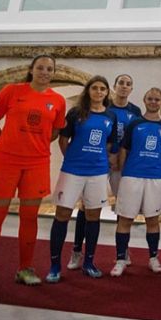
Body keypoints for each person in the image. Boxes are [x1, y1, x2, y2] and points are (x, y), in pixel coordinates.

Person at [0, 55, 66, 294]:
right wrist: (5, 145)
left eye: (49, 69)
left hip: (37, 164)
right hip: (5, 162)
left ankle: (25, 269)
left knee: (29, 218)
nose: (44, 72)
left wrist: (34, 143)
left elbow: (55, 132)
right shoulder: (11, 90)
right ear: (31, 70)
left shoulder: (58, 101)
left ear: (53, 73)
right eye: (40, 67)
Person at [46, 75, 118, 282]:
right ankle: (54, 265)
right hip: (72, 171)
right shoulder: (77, 113)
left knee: (93, 215)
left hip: (97, 172)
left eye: (102, 89)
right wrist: (72, 158)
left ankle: (88, 262)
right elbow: (63, 139)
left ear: (106, 93)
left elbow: (109, 144)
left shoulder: (110, 117)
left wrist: (99, 161)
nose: (98, 92)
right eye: (95, 88)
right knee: (62, 214)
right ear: (88, 91)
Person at [69, 73, 142, 271]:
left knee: (123, 206)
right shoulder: (103, 106)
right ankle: (77, 250)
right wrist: (109, 154)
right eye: (121, 83)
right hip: (99, 161)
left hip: (121, 163)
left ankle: (122, 251)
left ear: (131, 88)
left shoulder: (135, 111)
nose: (124, 87)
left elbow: (133, 138)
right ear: (115, 87)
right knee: (87, 206)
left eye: (128, 84)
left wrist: (121, 157)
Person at [110, 87, 161, 276]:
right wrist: (122, 169)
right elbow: (124, 149)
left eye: (157, 99)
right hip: (131, 176)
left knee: (152, 219)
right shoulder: (135, 123)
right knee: (125, 219)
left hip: (155, 177)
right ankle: (121, 259)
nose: (153, 102)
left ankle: (153, 258)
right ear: (145, 100)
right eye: (150, 98)